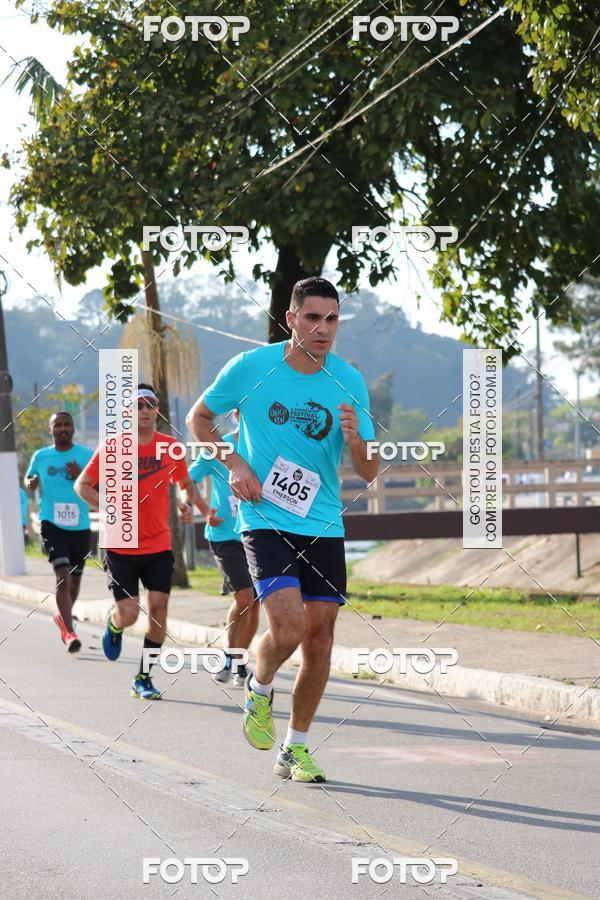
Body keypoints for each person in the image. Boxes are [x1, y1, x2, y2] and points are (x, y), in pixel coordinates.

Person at [186, 276, 378, 783]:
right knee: (288, 628)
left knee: (320, 641)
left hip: (324, 522)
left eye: (332, 319)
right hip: (264, 517)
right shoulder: (251, 367)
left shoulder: (349, 380)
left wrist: (358, 440)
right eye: (313, 318)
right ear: (291, 319)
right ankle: (259, 682)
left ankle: (295, 747)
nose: (323, 329)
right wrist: (234, 463)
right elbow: (199, 419)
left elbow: (370, 469)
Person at [75, 383, 195, 699]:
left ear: (157, 410)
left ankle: (143, 676)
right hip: (120, 544)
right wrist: (106, 506)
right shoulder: (112, 448)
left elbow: (184, 482)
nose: (144, 410)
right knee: (129, 613)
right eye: (138, 405)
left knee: (159, 611)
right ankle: (115, 626)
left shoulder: (170, 447)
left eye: (149, 404)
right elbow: (83, 485)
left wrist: (186, 502)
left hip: (159, 544)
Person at [188, 409, 258, 687]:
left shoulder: (266, 445)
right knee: (244, 597)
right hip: (224, 536)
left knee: (254, 604)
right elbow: (187, 478)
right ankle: (230, 656)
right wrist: (204, 511)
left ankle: (239, 659)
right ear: (235, 414)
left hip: (258, 533)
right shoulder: (219, 446)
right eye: (243, 409)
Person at [24, 411, 93, 653]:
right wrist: (30, 483)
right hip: (51, 523)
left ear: (73, 429)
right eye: (58, 425)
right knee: (62, 574)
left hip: (80, 526)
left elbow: (100, 484)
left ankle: (63, 620)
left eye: (67, 425)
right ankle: (70, 632)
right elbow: (30, 477)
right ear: (51, 430)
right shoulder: (41, 456)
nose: (62, 428)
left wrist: (79, 476)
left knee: (75, 580)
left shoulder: (86, 455)